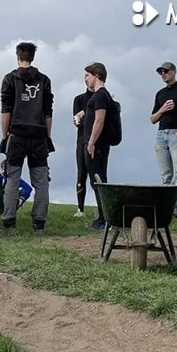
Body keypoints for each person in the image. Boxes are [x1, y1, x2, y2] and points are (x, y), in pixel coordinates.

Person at [0, 42, 53, 235]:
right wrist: (47, 137)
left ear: (17, 56)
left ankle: (9, 224)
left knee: (12, 178)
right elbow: (48, 113)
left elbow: (6, 111)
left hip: (17, 135)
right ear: (33, 57)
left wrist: (5, 136)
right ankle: (39, 223)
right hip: (38, 135)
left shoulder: (9, 79)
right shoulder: (44, 80)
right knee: (41, 181)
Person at [151, 61, 177, 218]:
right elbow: (152, 119)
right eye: (161, 72)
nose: (163, 74)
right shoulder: (160, 94)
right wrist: (162, 109)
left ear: (174, 71)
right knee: (166, 175)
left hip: (176, 133)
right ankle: (171, 209)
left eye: (166, 71)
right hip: (161, 134)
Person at [82, 62, 115, 230]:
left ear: (97, 76)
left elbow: (99, 119)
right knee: (96, 180)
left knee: (99, 180)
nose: (85, 79)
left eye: (88, 75)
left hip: (98, 145)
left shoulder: (101, 95)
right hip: (95, 144)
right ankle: (103, 217)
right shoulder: (98, 96)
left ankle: (105, 219)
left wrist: (92, 142)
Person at [72, 85, 93, 219]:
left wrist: (84, 114)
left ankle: (103, 211)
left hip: (97, 140)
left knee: (97, 175)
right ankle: (80, 209)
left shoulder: (102, 97)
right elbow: (77, 121)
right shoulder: (79, 99)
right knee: (81, 173)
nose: (86, 79)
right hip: (81, 139)